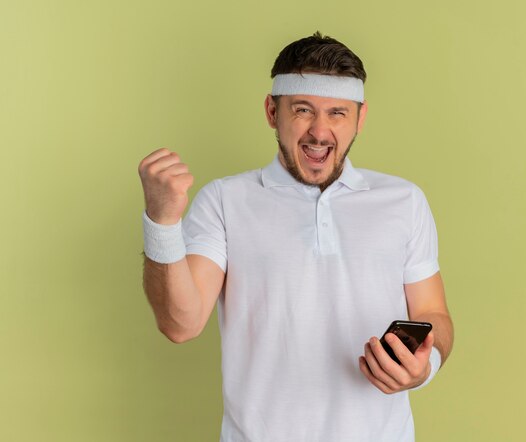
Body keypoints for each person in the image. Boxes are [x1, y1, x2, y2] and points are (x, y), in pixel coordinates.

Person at [138, 32, 454, 442]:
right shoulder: (224, 200)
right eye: (303, 110)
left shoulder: (405, 200)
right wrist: (161, 222)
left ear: (360, 117)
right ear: (273, 111)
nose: (320, 132)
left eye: (337, 113)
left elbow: (435, 315)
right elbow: (179, 323)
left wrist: (423, 368)